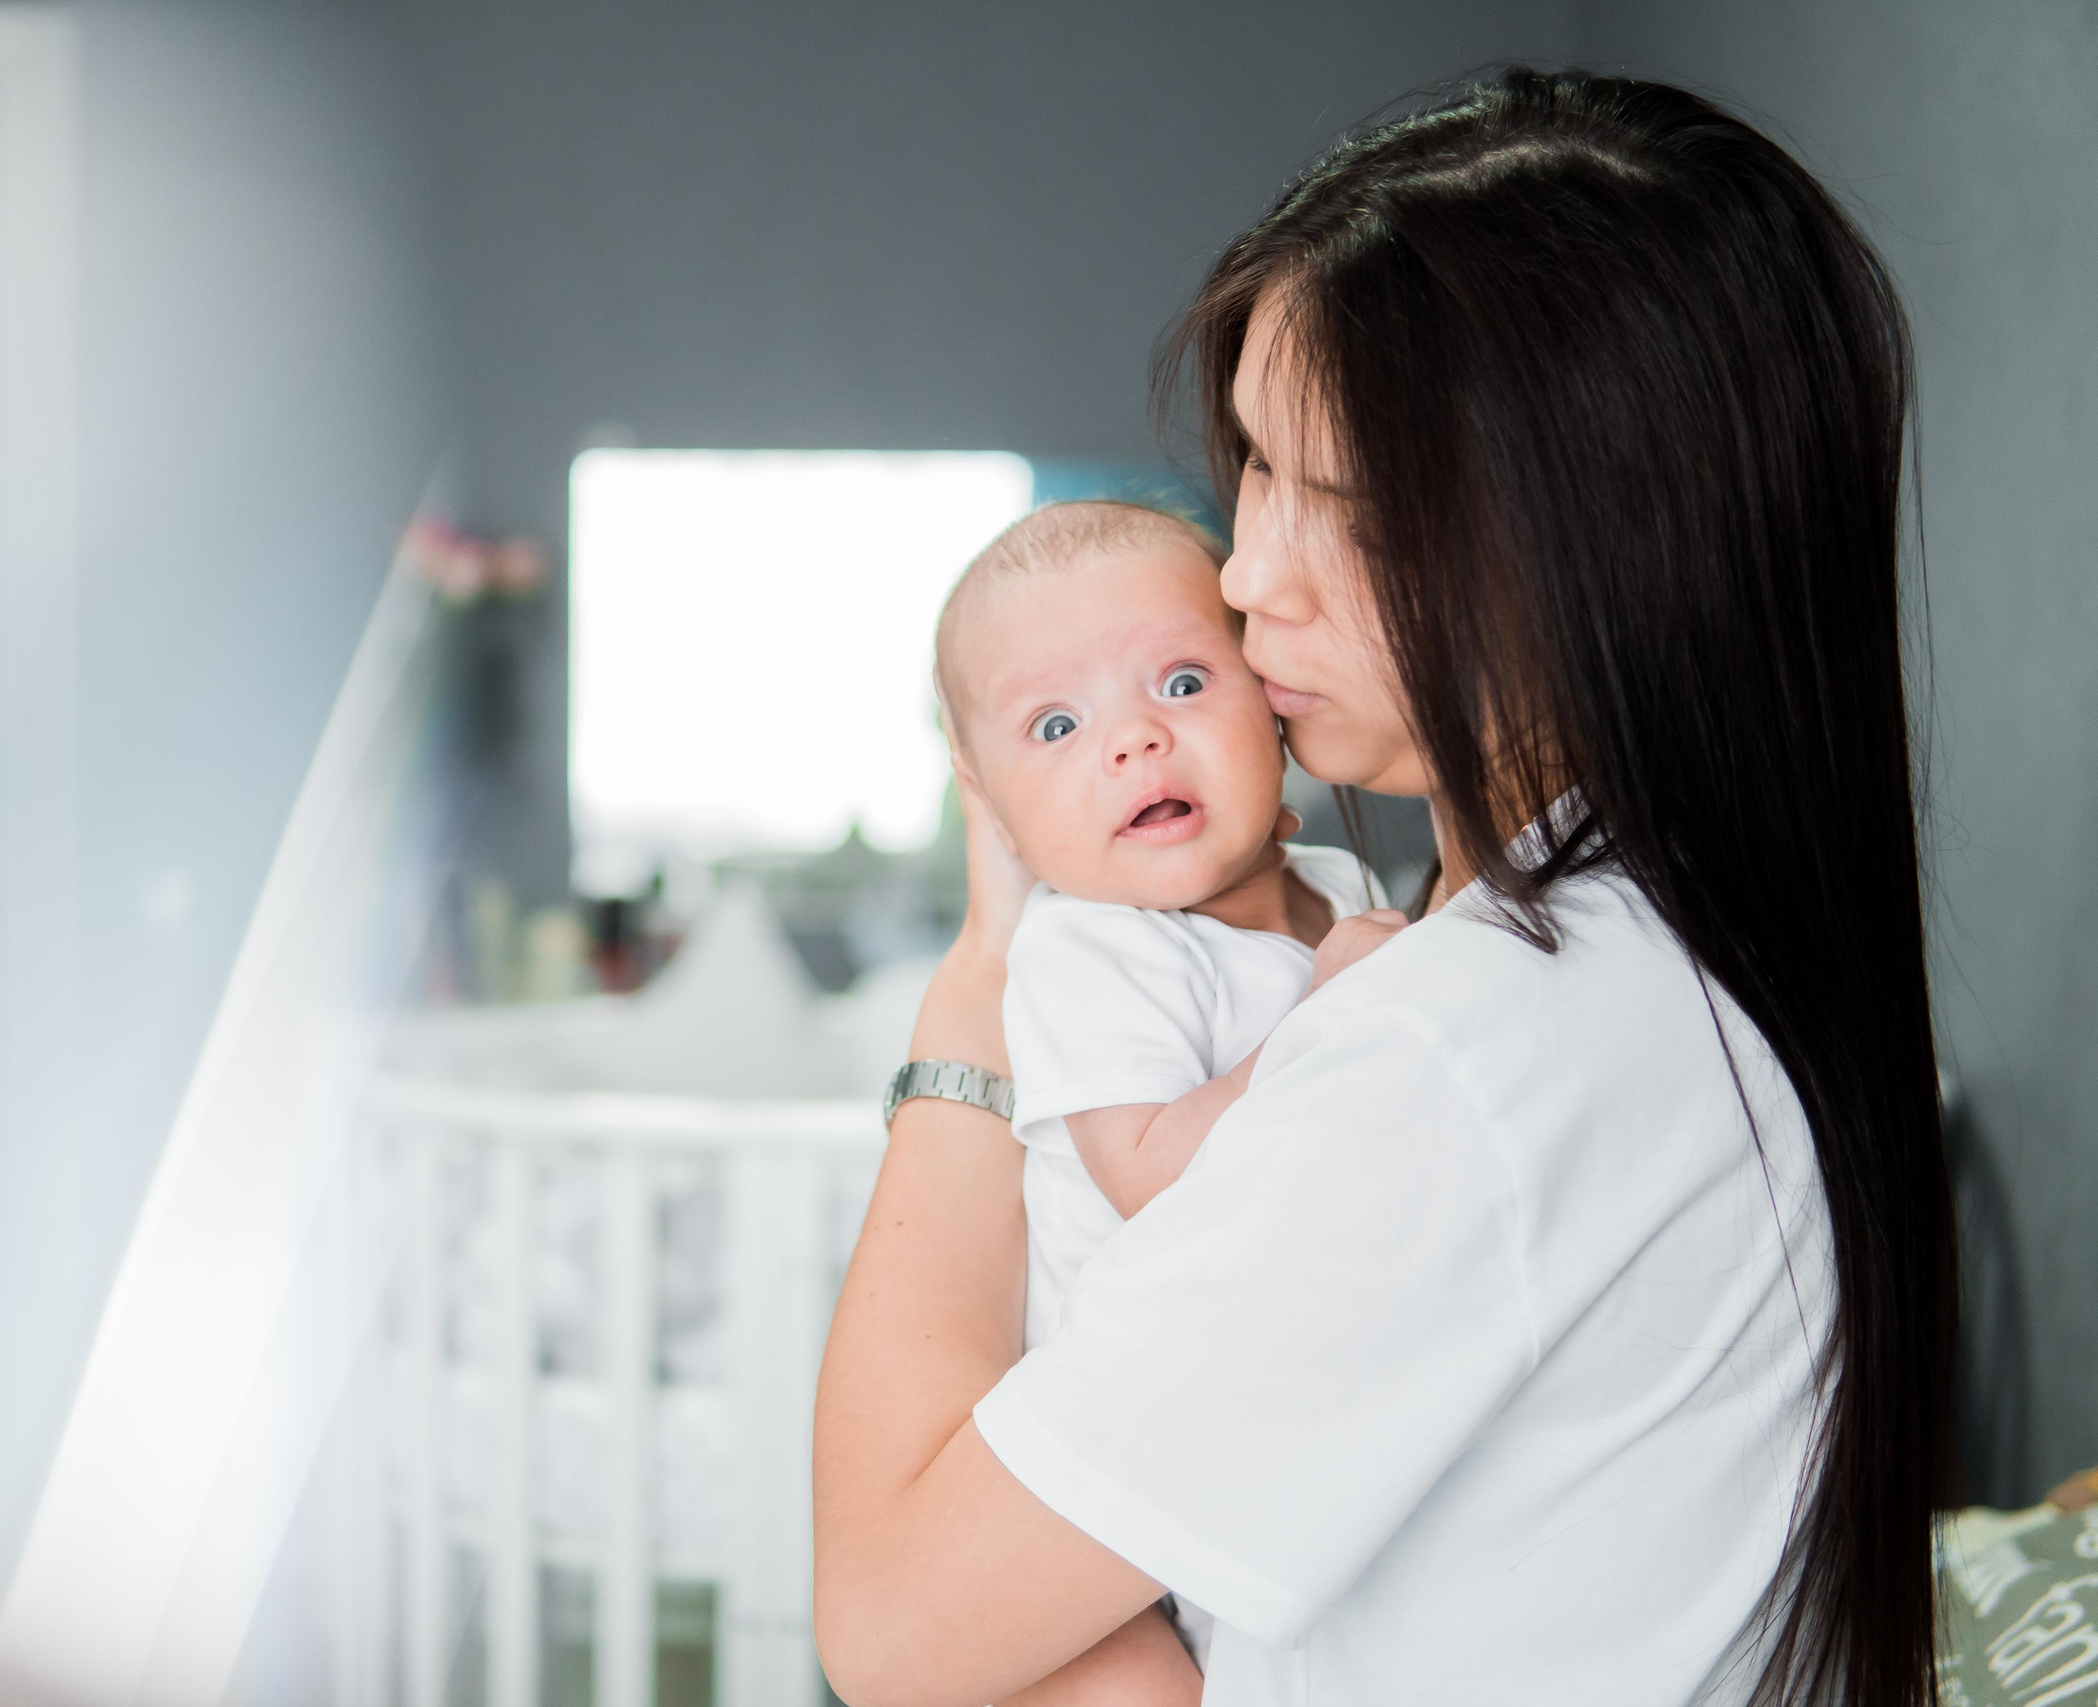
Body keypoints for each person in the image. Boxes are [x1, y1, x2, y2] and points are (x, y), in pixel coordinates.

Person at [813, 66, 1954, 1707]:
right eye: (1257, 471)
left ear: (1597, 542)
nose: (1244, 574)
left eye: (1339, 502)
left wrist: (977, 996)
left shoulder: (1463, 1045)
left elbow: (888, 1622)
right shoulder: (1704, 940)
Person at [928, 497, 1395, 1694]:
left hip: (1269, 1423)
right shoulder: (1092, 948)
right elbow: (1146, 1170)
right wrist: (1326, 1020)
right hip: (1129, 1461)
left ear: (1272, 704)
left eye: (1182, 684)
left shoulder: (1339, 885)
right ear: (992, 803)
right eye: (1056, 724)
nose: (1133, 740)